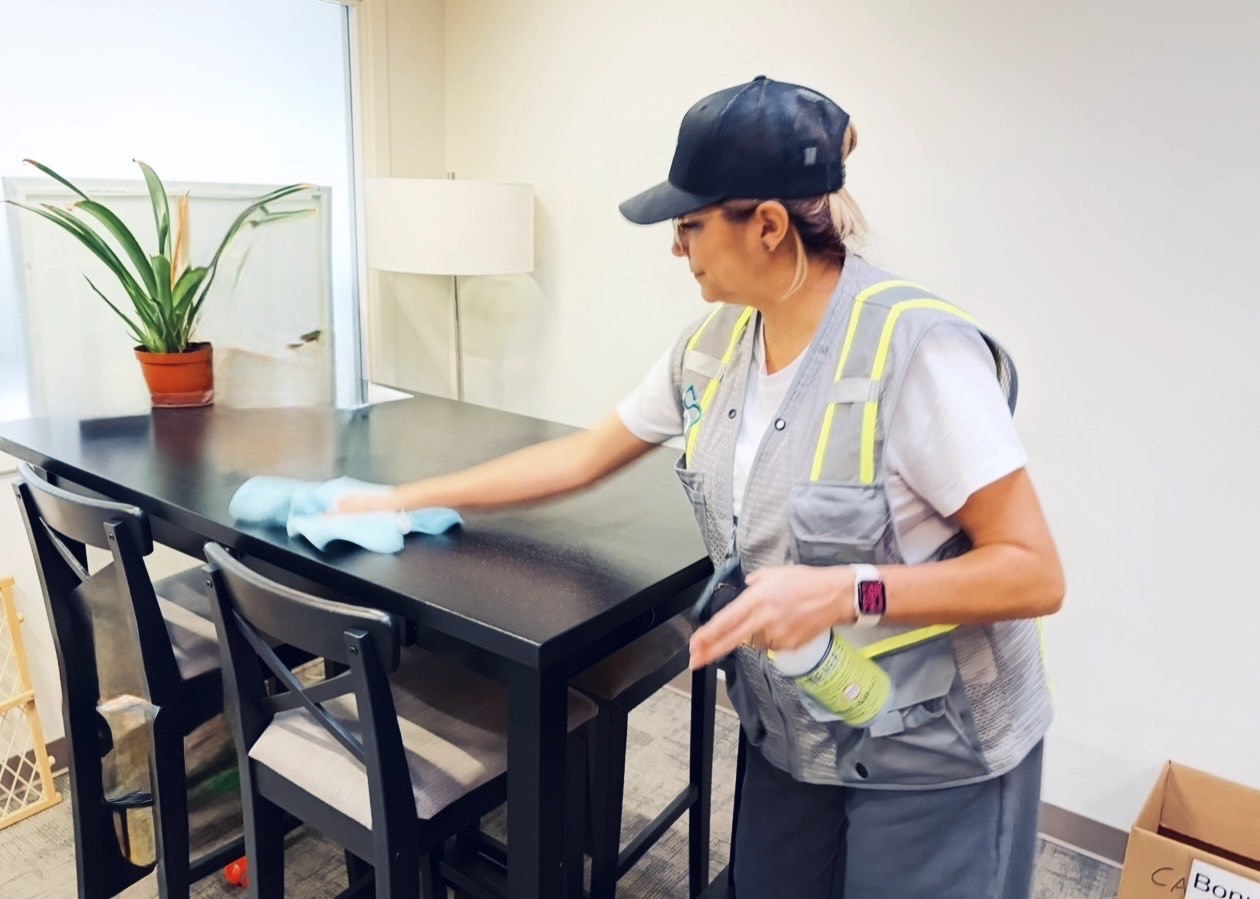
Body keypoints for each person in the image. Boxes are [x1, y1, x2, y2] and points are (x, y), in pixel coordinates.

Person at [340, 75, 1064, 898]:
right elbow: (581, 457)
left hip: (938, 751)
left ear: (766, 225)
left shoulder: (918, 351)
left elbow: (1034, 572)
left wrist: (847, 592)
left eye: (689, 226)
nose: (676, 249)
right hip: (796, 723)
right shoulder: (713, 347)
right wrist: (405, 497)